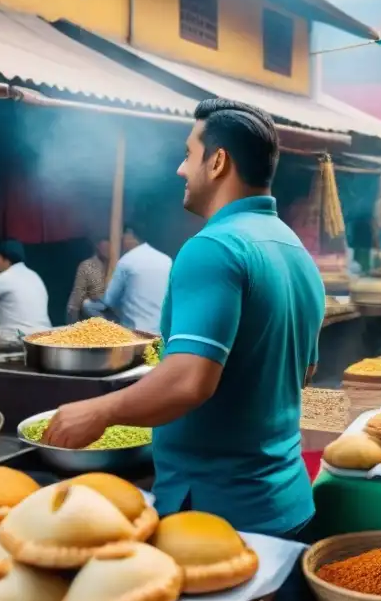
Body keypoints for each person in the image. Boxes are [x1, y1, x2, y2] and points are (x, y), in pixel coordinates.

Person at [43, 98, 324, 540]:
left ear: (217, 162)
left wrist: (100, 411)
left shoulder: (214, 246)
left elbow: (189, 381)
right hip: (289, 505)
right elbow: (303, 374)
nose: (180, 169)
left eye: (188, 154)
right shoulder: (295, 251)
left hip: (220, 518)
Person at [84, 225, 172, 335]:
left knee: (88, 305)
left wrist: (97, 298)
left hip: (136, 331)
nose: (120, 242)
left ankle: (112, 337)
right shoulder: (166, 260)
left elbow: (109, 301)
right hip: (162, 330)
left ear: (130, 235)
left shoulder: (126, 261)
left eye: (122, 238)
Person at [0, 240, 51, 342]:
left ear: (4, 259)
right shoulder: (34, 275)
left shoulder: (5, 277)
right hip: (46, 335)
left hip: (22, 337)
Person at [65, 236, 109, 323]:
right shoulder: (87, 266)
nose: (107, 247)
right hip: (97, 314)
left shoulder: (123, 264)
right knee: (87, 304)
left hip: (119, 312)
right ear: (97, 245)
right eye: (105, 244)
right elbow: (77, 294)